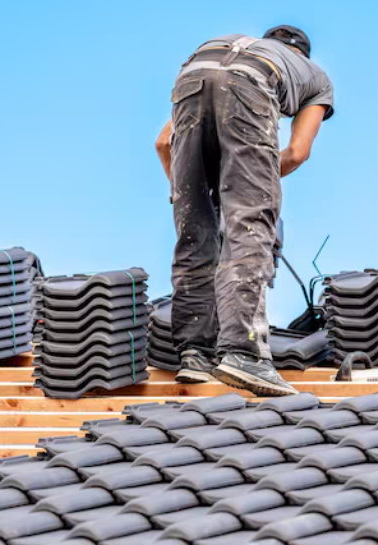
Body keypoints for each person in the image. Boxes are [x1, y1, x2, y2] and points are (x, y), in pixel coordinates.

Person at [155, 25, 334, 396]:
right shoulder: (314, 78)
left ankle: (195, 354)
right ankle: (243, 353)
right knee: (248, 227)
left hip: (192, 76)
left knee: (195, 233)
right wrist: (243, 186)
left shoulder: (231, 48)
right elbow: (296, 153)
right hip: (250, 85)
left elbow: (162, 144)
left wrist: (191, 197)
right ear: (302, 56)